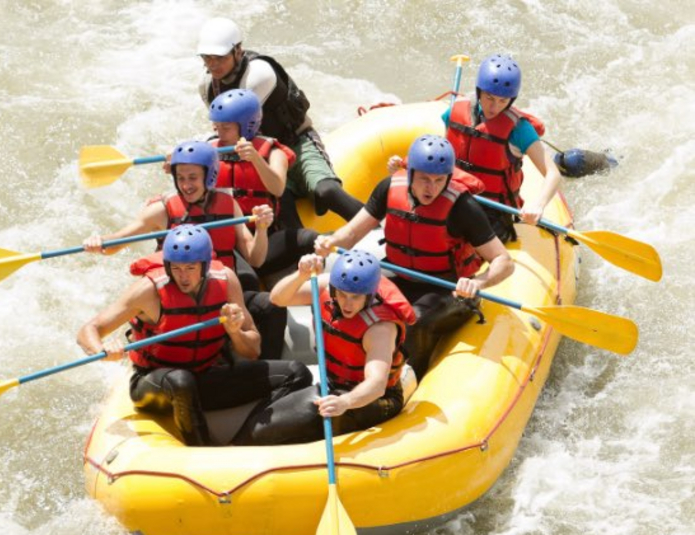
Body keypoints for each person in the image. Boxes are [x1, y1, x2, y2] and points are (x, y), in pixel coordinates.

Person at [77, 225, 312, 447]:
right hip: (156, 383)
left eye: (190, 268)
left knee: (296, 373)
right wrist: (102, 350)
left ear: (205, 265)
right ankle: (200, 449)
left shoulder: (226, 280)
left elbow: (253, 351)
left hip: (205, 375)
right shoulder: (149, 291)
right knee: (181, 381)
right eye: (176, 268)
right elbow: (90, 329)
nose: (183, 277)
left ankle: (243, 441)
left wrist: (234, 332)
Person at [315, 135, 515, 377]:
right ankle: (349, 369)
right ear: (410, 174)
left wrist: (478, 283)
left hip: (446, 288)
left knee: (414, 320)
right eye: (424, 179)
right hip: (400, 276)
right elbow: (352, 232)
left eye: (439, 180)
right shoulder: (389, 188)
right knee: (346, 300)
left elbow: (504, 261)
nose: (432, 188)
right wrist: (329, 244)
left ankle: (412, 377)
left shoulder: (462, 207)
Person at [83, 139, 287, 359]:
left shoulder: (229, 205)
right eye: (180, 178)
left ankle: (263, 364)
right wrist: (99, 242)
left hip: (222, 291)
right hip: (178, 295)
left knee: (270, 306)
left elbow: (255, 259)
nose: (186, 185)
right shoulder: (161, 210)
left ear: (209, 176)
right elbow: (117, 242)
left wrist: (261, 229)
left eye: (192, 177)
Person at [233, 250, 416, 445]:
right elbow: (277, 299)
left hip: (376, 400)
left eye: (355, 297)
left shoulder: (379, 329)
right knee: (260, 430)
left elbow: (377, 385)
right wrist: (301, 275)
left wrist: (345, 402)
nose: (347, 304)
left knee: (328, 411)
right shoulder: (326, 287)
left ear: (369, 296)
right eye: (342, 294)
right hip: (333, 386)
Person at [196, 17, 363, 225]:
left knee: (326, 191)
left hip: (297, 143)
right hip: (264, 156)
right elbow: (224, 131)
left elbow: (241, 123)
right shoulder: (207, 85)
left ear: (238, 50)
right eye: (207, 58)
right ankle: (304, 244)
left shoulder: (259, 74)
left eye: (219, 57)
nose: (213, 64)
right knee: (282, 208)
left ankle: (377, 230)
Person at [442, 54, 563, 243]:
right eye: (489, 98)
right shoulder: (454, 113)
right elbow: (445, 153)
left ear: (511, 100)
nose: (494, 107)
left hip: (492, 210)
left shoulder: (519, 130)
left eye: (503, 101)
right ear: (479, 91)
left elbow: (553, 174)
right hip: (452, 195)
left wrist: (538, 205)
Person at [208, 88, 318, 281]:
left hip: (263, 236)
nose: (220, 133)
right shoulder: (209, 150)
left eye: (226, 128)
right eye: (216, 127)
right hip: (227, 236)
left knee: (309, 238)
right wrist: (177, 164)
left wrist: (256, 159)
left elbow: (277, 188)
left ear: (246, 126)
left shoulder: (274, 153)